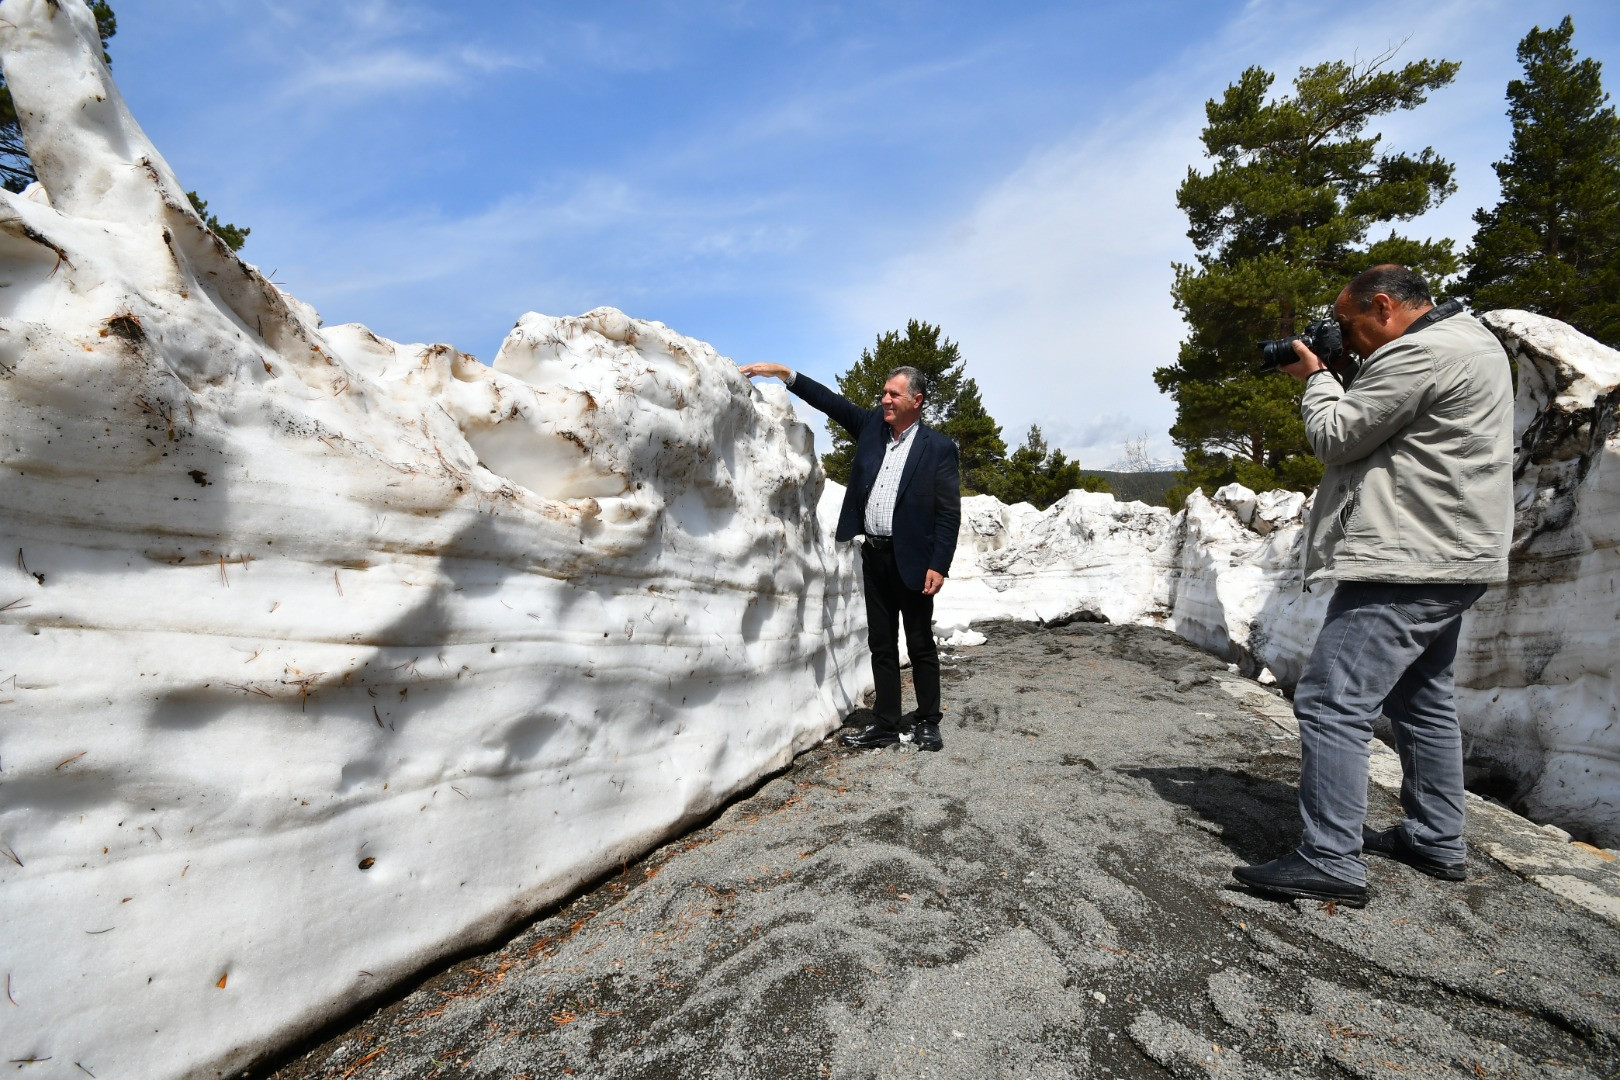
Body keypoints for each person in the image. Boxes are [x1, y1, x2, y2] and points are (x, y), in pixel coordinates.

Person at [1232, 264, 1515, 907]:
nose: (1346, 337)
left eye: (1350, 324)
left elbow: (1336, 437)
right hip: (1454, 555)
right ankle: (1436, 838)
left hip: (1405, 559)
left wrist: (1316, 380)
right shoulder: (1473, 342)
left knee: (1332, 701)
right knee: (1422, 698)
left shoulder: (1418, 352)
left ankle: (1329, 858)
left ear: (1384, 306)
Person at [738, 361, 961, 751]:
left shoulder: (939, 449)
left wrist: (938, 564)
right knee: (881, 643)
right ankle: (887, 723)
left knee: (921, 643)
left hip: (914, 560)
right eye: (885, 392)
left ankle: (928, 720)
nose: (885, 399)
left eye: (894, 394)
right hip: (874, 555)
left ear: (917, 400)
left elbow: (948, 515)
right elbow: (832, 403)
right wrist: (786, 375)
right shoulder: (873, 427)